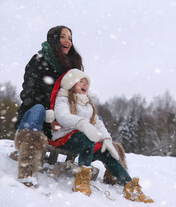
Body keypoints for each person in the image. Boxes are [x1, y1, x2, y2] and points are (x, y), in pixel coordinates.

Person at [50, 68, 153, 203]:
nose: (84, 85)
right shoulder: (63, 98)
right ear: (71, 83)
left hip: (84, 139)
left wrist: (106, 139)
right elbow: (63, 117)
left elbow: (97, 123)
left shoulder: (87, 103)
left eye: (86, 82)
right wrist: (83, 124)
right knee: (88, 138)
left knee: (107, 153)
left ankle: (130, 188)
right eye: (80, 81)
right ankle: (82, 181)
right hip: (64, 137)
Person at [14, 25, 83, 187]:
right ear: (54, 39)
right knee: (38, 109)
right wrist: (49, 113)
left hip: (58, 124)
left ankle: (117, 173)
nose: (68, 41)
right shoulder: (38, 60)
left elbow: (75, 97)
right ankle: (27, 172)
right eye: (63, 37)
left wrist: (64, 115)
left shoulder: (71, 68)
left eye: (70, 38)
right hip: (35, 119)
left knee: (92, 116)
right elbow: (28, 95)